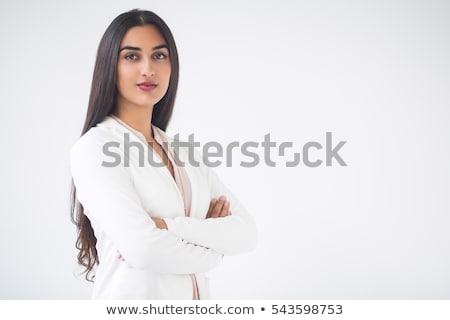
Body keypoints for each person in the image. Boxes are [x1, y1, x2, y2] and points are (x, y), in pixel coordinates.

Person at [70, 9, 257, 299]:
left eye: (159, 56)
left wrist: (168, 227)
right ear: (111, 66)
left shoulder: (185, 154)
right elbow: (143, 250)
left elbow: (246, 233)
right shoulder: (94, 148)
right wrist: (213, 248)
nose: (148, 69)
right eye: (132, 56)